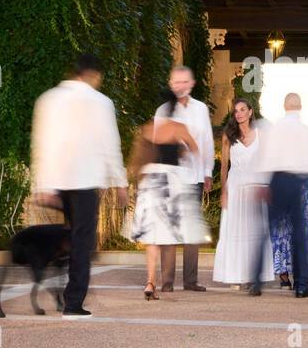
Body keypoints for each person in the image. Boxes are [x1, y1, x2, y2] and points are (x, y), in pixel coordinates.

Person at [32, 53, 127, 317]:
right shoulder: (101, 102)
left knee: (66, 238)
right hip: (85, 182)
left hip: (57, 182)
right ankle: (73, 302)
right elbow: (110, 145)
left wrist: (43, 184)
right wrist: (120, 182)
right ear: (94, 75)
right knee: (81, 241)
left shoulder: (49, 99)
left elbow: (42, 143)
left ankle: (62, 288)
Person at [127, 90, 207, 300]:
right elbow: (196, 150)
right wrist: (183, 156)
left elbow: (138, 160)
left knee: (151, 237)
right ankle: (167, 282)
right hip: (170, 182)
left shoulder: (146, 129)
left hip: (150, 183)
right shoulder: (178, 127)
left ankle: (150, 281)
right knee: (169, 234)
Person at [252, 93, 308, 297]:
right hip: (297, 182)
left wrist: (264, 184)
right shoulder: (306, 130)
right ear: (300, 106)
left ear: (284, 106)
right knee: (299, 235)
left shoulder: (275, 128)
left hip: (277, 180)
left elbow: (266, 156)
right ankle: (301, 286)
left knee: (266, 231)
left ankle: (255, 282)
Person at [158, 66, 213, 293]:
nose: (179, 86)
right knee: (169, 228)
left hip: (194, 176)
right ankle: (167, 281)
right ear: (170, 84)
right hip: (170, 177)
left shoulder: (200, 109)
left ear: (191, 84)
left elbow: (207, 141)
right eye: (175, 82)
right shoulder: (163, 110)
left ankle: (190, 281)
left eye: (184, 82)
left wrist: (208, 171)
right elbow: (156, 143)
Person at [213, 97, 274, 291]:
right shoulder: (228, 136)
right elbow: (223, 167)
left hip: (255, 187)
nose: (238, 113)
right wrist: (224, 192)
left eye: (242, 109)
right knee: (234, 230)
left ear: (250, 112)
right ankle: (234, 274)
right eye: (236, 111)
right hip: (235, 186)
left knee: (254, 231)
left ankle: (251, 275)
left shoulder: (261, 135)